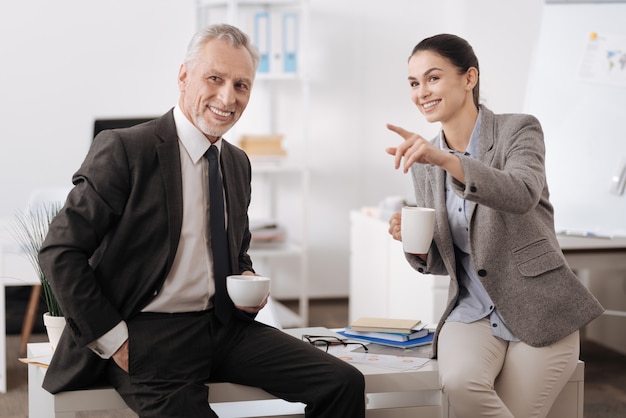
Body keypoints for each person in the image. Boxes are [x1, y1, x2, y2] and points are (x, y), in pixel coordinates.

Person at [38, 24, 365, 418]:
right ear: (183, 76)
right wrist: (115, 341)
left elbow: (236, 252)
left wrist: (245, 278)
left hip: (224, 329)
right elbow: (60, 251)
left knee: (344, 384)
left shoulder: (236, 162)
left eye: (241, 85)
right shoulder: (126, 150)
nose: (228, 97)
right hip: (148, 336)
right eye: (215, 78)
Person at [385, 33, 604, 418]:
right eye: (414, 83)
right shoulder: (424, 160)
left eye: (433, 78)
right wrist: (414, 242)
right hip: (470, 311)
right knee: (457, 384)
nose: (422, 92)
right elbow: (441, 259)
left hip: (540, 308)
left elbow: (521, 192)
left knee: (518, 411)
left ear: (469, 78)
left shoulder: (518, 130)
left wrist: (447, 160)